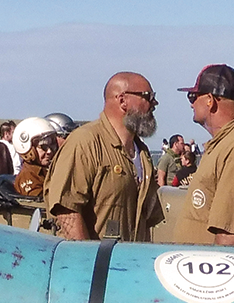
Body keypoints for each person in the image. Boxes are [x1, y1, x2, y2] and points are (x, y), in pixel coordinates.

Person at [44, 71, 163, 241]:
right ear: (122, 100)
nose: (154, 103)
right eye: (148, 96)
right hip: (95, 263)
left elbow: (146, 220)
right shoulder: (85, 143)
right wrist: (85, 261)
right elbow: (66, 210)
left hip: (128, 263)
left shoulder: (142, 154)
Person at [171, 65, 234, 247]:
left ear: (210, 100)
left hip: (209, 273)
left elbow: (230, 240)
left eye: (193, 97)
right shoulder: (227, 144)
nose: (191, 103)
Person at [11, 116, 64, 198]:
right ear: (29, 149)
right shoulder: (27, 176)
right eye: (43, 147)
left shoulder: (47, 171)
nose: (49, 151)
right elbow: (42, 203)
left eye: (51, 146)